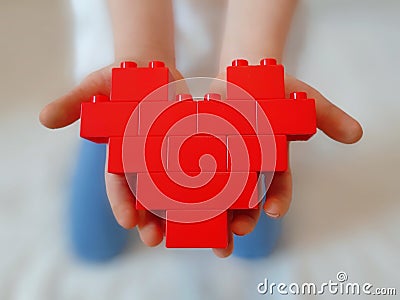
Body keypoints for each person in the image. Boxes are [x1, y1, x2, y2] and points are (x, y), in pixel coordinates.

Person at [39, 0, 363, 261]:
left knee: (256, 245)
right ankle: (108, 141)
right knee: (93, 244)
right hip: (130, 74)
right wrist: (141, 65)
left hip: (243, 85)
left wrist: (249, 70)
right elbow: (139, 71)